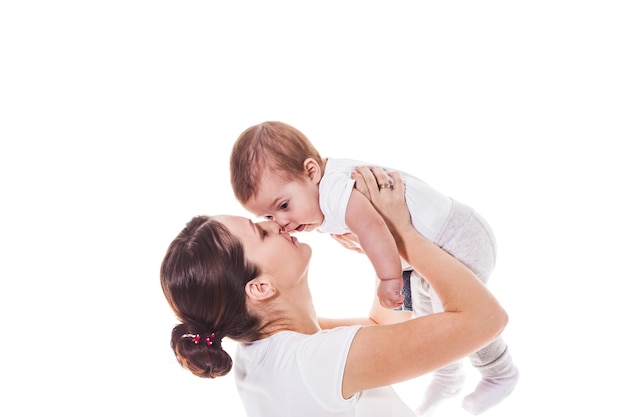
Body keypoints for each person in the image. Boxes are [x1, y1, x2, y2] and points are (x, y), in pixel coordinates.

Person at [161, 167, 508, 417]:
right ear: (261, 287)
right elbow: (487, 319)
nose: (273, 222)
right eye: (261, 233)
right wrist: (404, 233)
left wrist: (385, 251)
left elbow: (379, 328)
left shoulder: (266, 351)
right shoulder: (310, 362)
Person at [229, 121, 519, 415]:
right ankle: (449, 377)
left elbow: (371, 226)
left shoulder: (333, 192)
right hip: (429, 253)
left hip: (457, 238)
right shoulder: (316, 197)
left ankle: (499, 372)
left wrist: (388, 276)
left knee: (453, 321)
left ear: (312, 171)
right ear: (259, 287)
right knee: (432, 315)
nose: (279, 223)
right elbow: (377, 235)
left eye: (282, 206)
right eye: (266, 220)